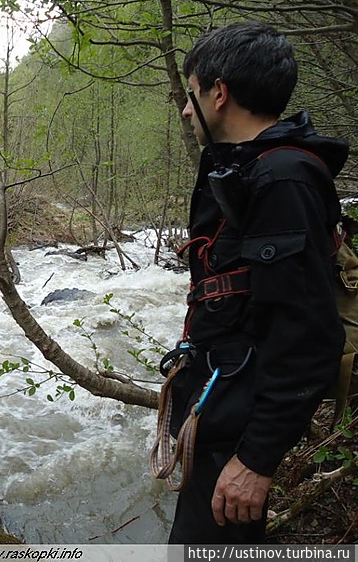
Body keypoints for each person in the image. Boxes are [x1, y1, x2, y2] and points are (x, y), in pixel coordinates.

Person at [158, 21, 349, 543]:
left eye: (191, 93)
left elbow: (308, 335)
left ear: (218, 94)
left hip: (236, 444)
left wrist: (256, 459)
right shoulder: (247, 172)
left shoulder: (282, 180)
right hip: (219, 421)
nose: (184, 108)